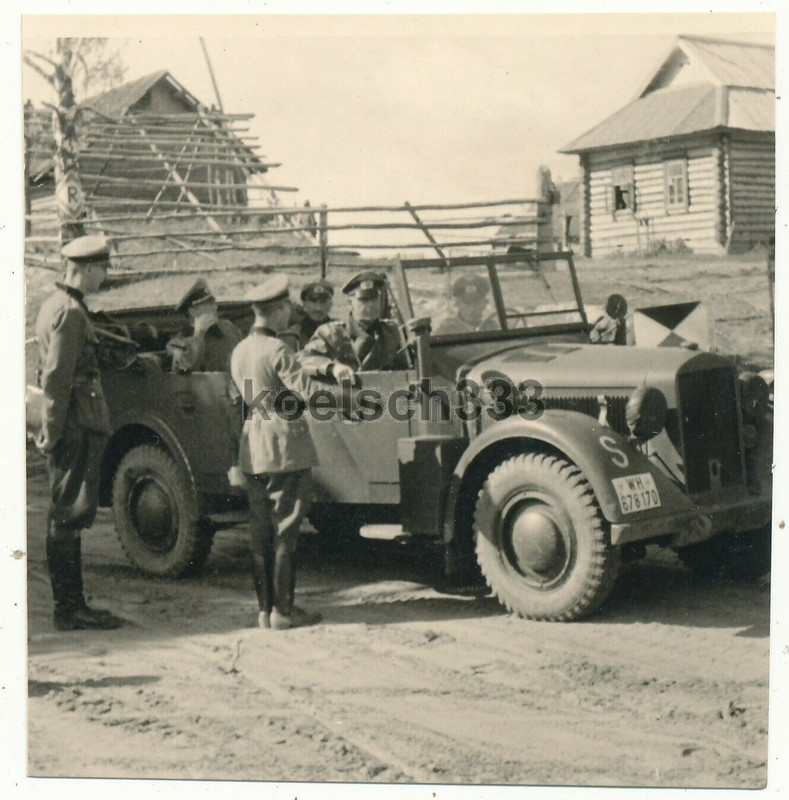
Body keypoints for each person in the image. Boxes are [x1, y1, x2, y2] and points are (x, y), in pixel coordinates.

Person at [230, 274, 356, 631]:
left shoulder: (240, 350)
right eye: (286, 307)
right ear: (278, 310)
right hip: (284, 446)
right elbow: (306, 393)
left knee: (261, 533)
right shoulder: (277, 350)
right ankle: (283, 611)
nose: (290, 312)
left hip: (253, 446)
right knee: (286, 531)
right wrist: (350, 400)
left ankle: (264, 611)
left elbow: (241, 400)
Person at [35, 234, 123, 631]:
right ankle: (70, 609)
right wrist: (52, 433)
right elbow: (56, 379)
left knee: (66, 512)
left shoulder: (56, 304)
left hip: (72, 421)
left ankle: (70, 605)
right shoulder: (70, 312)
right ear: (85, 268)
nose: (104, 276)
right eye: (102, 269)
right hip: (75, 424)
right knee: (69, 514)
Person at [301, 270, 409, 375]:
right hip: (343, 386)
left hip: (383, 387)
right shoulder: (331, 333)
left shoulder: (391, 332)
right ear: (350, 303)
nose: (371, 305)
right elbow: (306, 360)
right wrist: (333, 368)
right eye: (364, 300)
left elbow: (405, 369)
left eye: (375, 299)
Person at [167, 278, 242, 372]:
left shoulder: (228, 328)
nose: (215, 307)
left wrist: (248, 385)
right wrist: (199, 334)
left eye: (214, 303)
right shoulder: (177, 343)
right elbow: (186, 370)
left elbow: (246, 364)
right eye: (209, 304)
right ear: (193, 311)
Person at [432, 274, 498, 335]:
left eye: (476, 303)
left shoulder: (493, 327)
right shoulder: (446, 330)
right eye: (466, 303)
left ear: (485, 303)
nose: (472, 308)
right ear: (457, 303)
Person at [279, 279, 335, 351]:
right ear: (304, 304)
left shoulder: (339, 333)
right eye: (313, 302)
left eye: (323, 302)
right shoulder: (292, 336)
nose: (318, 308)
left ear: (330, 305)